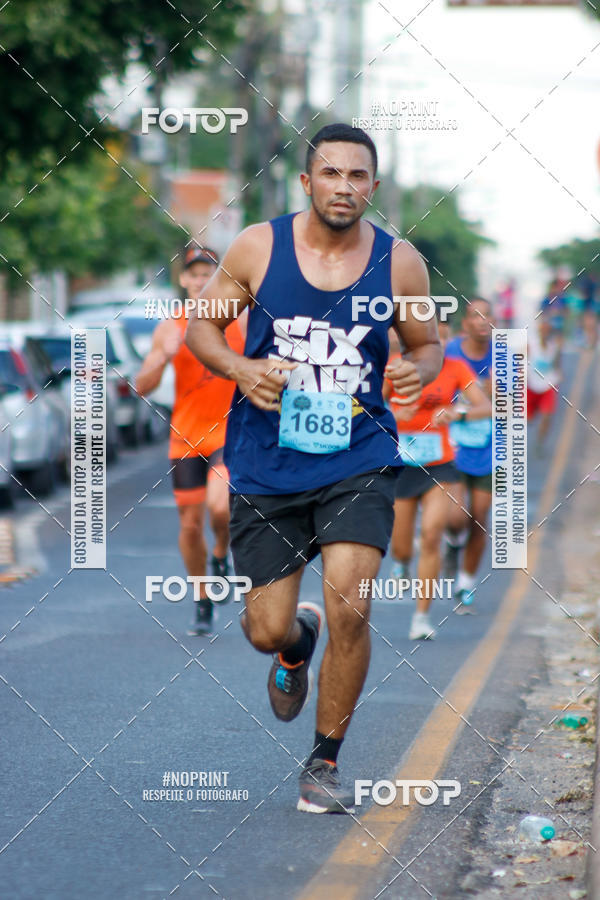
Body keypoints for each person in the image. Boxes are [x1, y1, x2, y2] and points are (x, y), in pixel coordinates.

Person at [185, 123, 442, 813]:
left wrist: (418, 370)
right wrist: (240, 367)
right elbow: (202, 326)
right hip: (267, 460)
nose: (344, 187)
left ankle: (323, 763)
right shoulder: (258, 247)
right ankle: (295, 645)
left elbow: (427, 343)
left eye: (358, 176)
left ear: (373, 188)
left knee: (353, 603)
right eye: (331, 174)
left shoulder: (401, 262)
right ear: (307, 182)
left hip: (359, 456)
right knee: (265, 627)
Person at [135, 246, 245, 636]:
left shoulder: (240, 323)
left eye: (208, 274)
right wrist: (161, 359)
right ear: (183, 280)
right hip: (185, 438)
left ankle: (221, 556)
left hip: (227, 433)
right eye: (194, 274)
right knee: (190, 524)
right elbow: (142, 386)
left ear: (219, 279)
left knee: (220, 508)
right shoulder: (171, 327)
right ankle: (202, 599)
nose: (201, 281)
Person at [385, 315, 491, 639]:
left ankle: (421, 617)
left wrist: (455, 412)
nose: (439, 345)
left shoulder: (457, 369)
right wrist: (393, 414)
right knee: (402, 546)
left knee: (432, 535)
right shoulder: (395, 366)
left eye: (444, 339)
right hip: (402, 463)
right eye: (433, 338)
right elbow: (369, 405)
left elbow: (486, 407)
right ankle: (402, 562)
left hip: (441, 462)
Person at [443, 298, 494, 609]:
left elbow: (512, 404)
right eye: (476, 315)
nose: (482, 321)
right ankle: (452, 542)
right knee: (457, 517)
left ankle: (465, 583)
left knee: (479, 517)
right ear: (465, 323)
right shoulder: (450, 353)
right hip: (455, 444)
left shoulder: (504, 355)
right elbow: (439, 394)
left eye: (488, 315)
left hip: (490, 446)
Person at [527, 313, 562, 455]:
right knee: (527, 419)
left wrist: (559, 375)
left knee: (547, 416)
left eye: (548, 329)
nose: (545, 331)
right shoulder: (530, 345)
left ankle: (540, 444)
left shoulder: (554, 346)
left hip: (548, 385)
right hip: (530, 385)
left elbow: (557, 365)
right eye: (543, 328)